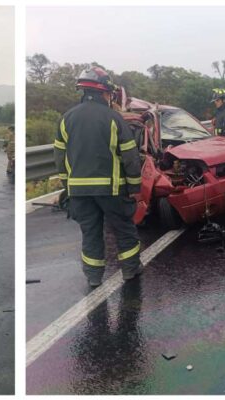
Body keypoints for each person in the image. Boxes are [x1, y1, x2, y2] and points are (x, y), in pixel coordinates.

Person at [53, 66, 144, 287]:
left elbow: (60, 157)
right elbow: (130, 157)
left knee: (90, 233)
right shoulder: (113, 118)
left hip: (79, 192)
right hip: (111, 189)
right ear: (104, 92)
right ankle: (130, 270)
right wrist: (135, 187)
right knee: (123, 229)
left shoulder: (66, 119)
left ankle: (93, 277)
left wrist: (68, 185)